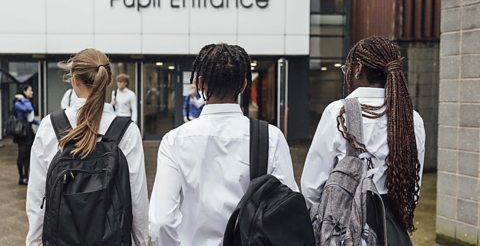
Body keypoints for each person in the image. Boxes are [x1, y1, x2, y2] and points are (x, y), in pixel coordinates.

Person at [149, 44, 298, 246]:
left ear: (200, 83)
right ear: (244, 86)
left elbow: (162, 222)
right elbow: (287, 212)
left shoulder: (174, 140)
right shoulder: (271, 137)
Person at [301, 36, 426, 245]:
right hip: (393, 230)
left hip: (346, 228)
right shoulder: (411, 118)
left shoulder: (338, 113)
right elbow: (414, 187)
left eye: (347, 68)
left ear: (358, 68)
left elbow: (312, 187)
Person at [26, 49, 149, 245]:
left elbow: (37, 195)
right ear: (108, 80)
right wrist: (141, 241)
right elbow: (137, 199)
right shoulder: (127, 131)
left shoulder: (50, 126)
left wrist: (34, 241)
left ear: (74, 80)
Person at [13, 84, 39, 185]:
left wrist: (40, 123)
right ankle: (21, 177)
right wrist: (23, 99)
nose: (32, 92)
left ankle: (27, 177)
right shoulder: (19, 103)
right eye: (30, 90)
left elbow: (30, 118)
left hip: (28, 130)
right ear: (24, 91)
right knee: (22, 154)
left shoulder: (25, 101)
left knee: (28, 154)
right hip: (21, 131)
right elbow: (28, 109)